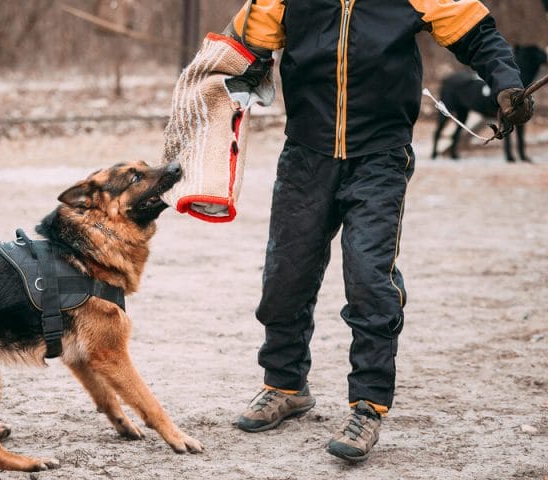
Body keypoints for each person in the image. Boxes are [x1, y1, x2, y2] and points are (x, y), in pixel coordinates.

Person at [217, 0, 535, 462]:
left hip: (380, 155)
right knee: (287, 273)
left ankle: (367, 405)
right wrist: (216, 83)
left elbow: (477, 33)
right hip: (306, 153)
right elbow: (244, 47)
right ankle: (284, 385)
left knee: (370, 278)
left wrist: (507, 83)